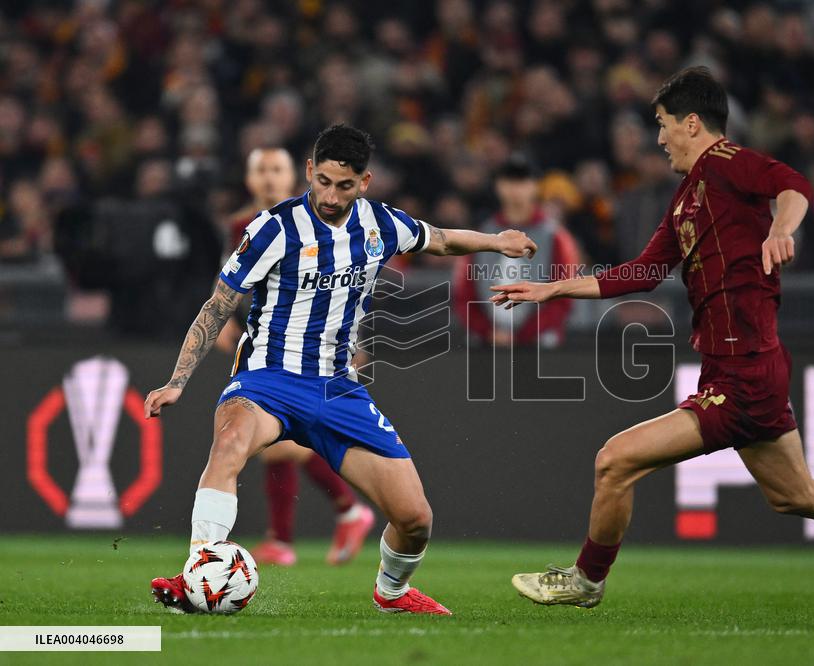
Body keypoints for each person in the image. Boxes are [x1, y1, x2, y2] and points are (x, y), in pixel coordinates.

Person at [491, 67, 814, 620]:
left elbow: (794, 186)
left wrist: (781, 228)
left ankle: (587, 580)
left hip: (741, 371)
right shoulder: (688, 197)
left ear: (692, 122)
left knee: (614, 461)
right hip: (747, 366)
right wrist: (552, 288)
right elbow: (640, 272)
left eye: (663, 125)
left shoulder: (730, 163)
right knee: (796, 495)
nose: (659, 138)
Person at [145, 123, 537, 615]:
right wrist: (177, 381)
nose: (330, 195)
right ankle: (197, 573)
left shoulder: (379, 225)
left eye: (344, 185)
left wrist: (496, 241)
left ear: (364, 182)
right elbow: (217, 306)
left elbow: (438, 240)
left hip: (337, 389)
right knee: (229, 444)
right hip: (267, 379)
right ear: (310, 171)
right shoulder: (273, 228)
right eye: (323, 181)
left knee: (415, 518)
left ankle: (391, 594)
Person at [217, 146, 375, 568]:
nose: (269, 178)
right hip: (266, 344)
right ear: (250, 179)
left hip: (320, 350)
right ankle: (312, 526)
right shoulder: (240, 226)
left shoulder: (322, 219)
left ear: (296, 176)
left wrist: (354, 343)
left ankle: (327, 519)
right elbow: (231, 283)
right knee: (276, 443)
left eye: (277, 170)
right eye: (261, 170)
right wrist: (226, 324)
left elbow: (350, 277)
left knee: (281, 442)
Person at [452, 154, 580, 347]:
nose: (515, 188)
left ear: (535, 185)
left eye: (522, 180)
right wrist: (488, 331)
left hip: (539, 344)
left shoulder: (556, 237)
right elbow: (463, 295)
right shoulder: (480, 235)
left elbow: (564, 298)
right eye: (509, 180)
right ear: (498, 185)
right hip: (487, 343)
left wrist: (523, 336)